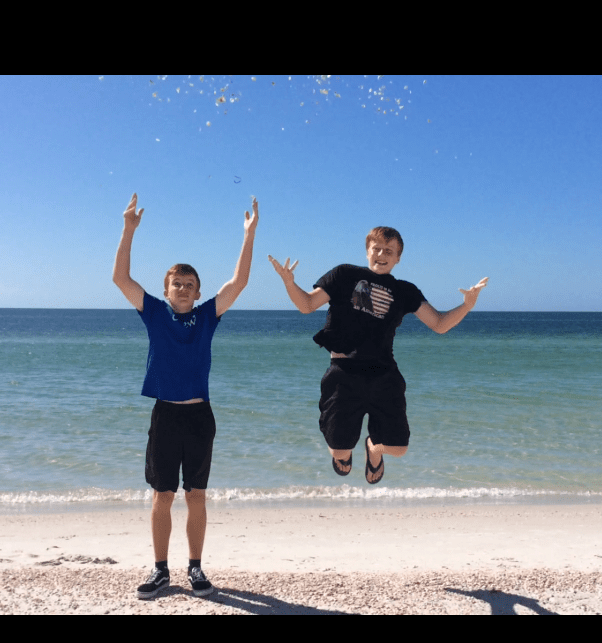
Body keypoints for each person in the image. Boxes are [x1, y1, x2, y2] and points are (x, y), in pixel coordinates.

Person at [114, 192, 258, 599]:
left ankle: (195, 568)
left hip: (199, 416)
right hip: (165, 415)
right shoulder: (156, 313)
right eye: (176, 283)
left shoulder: (207, 316)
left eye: (189, 285)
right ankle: (161, 570)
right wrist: (128, 231)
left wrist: (248, 235)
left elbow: (240, 282)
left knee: (196, 495)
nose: (182, 288)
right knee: (163, 494)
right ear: (166, 289)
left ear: (197, 293)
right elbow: (121, 280)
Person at [269, 227, 487, 484]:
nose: (382, 255)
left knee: (399, 448)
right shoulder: (343, 275)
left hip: (384, 374)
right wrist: (289, 283)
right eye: (377, 249)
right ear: (368, 251)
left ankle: (373, 448)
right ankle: (346, 451)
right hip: (343, 373)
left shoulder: (406, 291)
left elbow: (439, 324)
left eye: (389, 251)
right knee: (339, 449)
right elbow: (306, 305)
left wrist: (467, 306)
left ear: (398, 258)